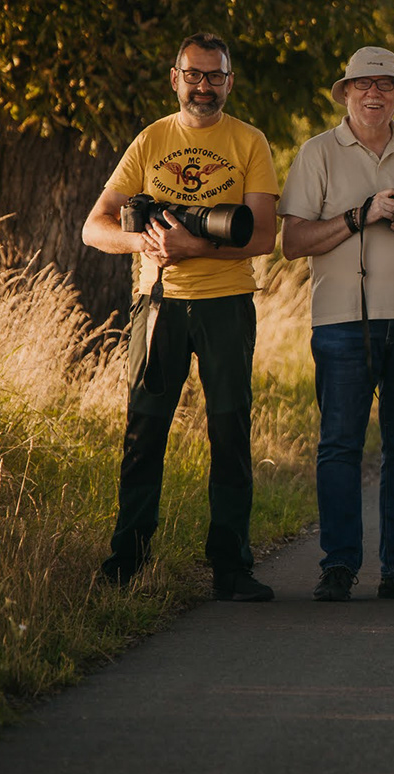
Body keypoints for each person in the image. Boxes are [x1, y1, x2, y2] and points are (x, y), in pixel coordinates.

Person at [81, 33, 280, 601]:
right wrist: (146, 243)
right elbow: (94, 227)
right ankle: (128, 559)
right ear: (175, 78)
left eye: (215, 76)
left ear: (229, 82)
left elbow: (264, 235)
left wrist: (196, 247)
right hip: (159, 304)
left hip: (226, 304)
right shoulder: (150, 140)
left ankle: (231, 567)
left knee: (230, 433)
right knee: (144, 432)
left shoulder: (249, 141)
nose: (204, 86)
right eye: (194, 74)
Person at [279, 47, 394, 603]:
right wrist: (361, 216)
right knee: (340, 447)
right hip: (340, 323)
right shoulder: (318, 154)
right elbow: (292, 243)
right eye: (364, 85)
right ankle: (338, 565)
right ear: (347, 93)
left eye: (386, 85)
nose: (374, 94)